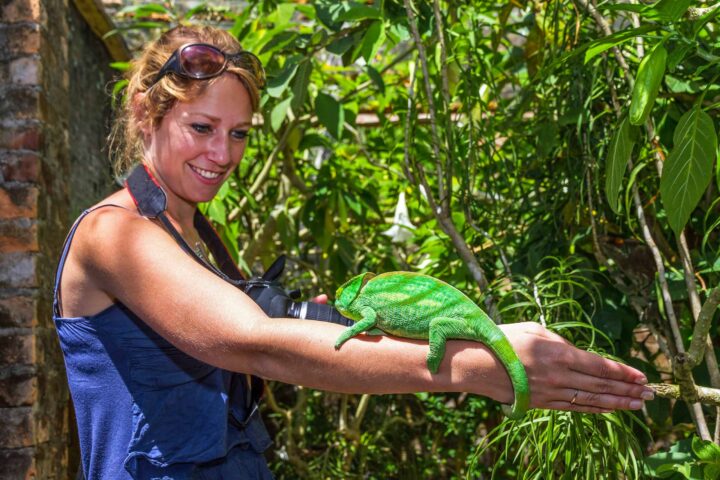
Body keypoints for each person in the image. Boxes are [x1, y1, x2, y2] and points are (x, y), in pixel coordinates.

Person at [53, 25, 654, 480]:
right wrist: (476, 368)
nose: (224, 153)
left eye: (238, 134)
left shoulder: (197, 234)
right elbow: (252, 341)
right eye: (202, 128)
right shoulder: (117, 233)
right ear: (144, 115)